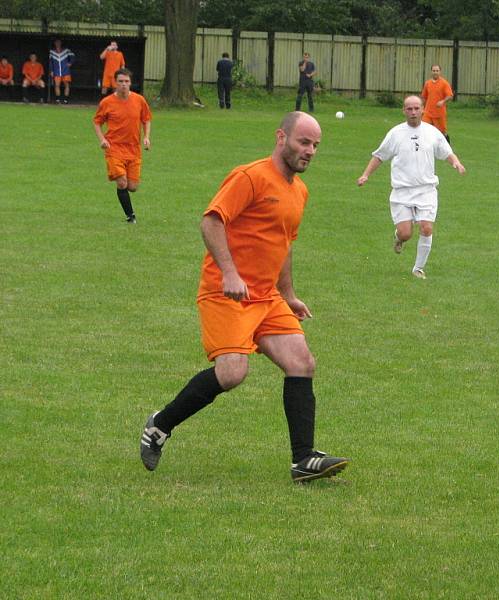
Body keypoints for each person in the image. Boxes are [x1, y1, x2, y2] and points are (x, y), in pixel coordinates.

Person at [139, 111, 349, 483]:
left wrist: (289, 294)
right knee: (233, 372)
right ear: (281, 137)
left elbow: (284, 244)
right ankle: (159, 425)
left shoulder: (299, 190)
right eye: (304, 142)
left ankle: (303, 460)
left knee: (302, 363)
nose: (311, 151)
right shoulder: (250, 177)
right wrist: (230, 272)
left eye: (316, 145)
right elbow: (211, 221)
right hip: (227, 294)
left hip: (266, 297)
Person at [357, 95, 465, 280]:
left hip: (426, 189)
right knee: (406, 233)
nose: (413, 112)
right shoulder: (395, 134)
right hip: (402, 191)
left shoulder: (432, 132)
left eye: (416, 108)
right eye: (409, 109)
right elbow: (379, 156)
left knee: (426, 228)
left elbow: (446, 152)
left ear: (423, 109)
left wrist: (456, 162)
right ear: (404, 111)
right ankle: (399, 238)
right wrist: (365, 174)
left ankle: (418, 268)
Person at [92, 68, 151, 224]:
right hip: (114, 148)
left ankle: (128, 208)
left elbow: (146, 119)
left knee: (132, 187)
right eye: (120, 81)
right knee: (122, 182)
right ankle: (130, 216)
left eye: (126, 81)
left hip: (133, 149)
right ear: (115, 83)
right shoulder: (107, 103)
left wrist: (146, 137)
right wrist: (102, 140)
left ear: (130, 83)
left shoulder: (139, 100)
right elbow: (97, 122)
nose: (124, 84)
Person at [421, 64, 454, 142]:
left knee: (442, 132)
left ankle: (447, 149)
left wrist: (443, 101)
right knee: (423, 129)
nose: (435, 72)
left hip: (439, 113)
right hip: (428, 113)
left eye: (437, 71)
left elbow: (450, 96)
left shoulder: (444, 83)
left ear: (440, 72)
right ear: (431, 72)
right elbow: (424, 97)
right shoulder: (427, 83)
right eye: (434, 71)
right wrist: (421, 108)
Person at [49, 39, 75, 104]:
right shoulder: (52, 51)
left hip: (65, 71)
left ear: (61, 43)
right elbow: (50, 62)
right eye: (56, 42)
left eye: (59, 42)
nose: (57, 43)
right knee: (57, 85)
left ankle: (65, 100)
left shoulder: (66, 50)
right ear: (54, 43)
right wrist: (51, 70)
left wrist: (70, 63)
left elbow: (73, 56)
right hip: (56, 71)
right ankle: (58, 100)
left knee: (66, 85)